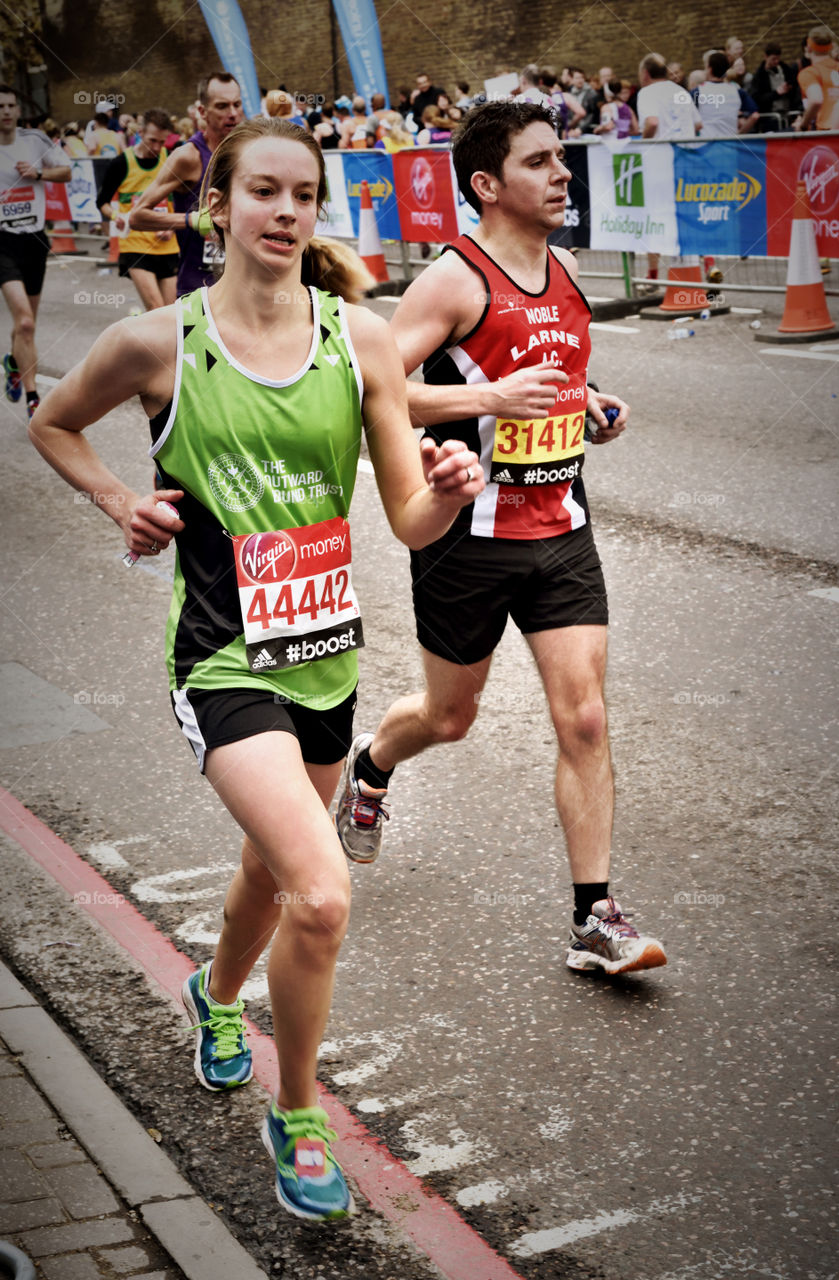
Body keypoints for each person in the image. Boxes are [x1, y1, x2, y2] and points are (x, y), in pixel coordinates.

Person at [29, 116, 483, 1219]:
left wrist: (453, 488)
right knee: (318, 891)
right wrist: (120, 500)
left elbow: (408, 519)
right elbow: (53, 421)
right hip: (220, 654)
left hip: (323, 653)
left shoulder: (361, 339)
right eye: (264, 193)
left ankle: (215, 990)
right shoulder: (161, 344)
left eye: (304, 196)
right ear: (217, 206)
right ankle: (297, 1115)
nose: (285, 214)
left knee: (265, 872)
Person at [335, 101, 667, 979]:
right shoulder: (453, 280)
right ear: (488, 184)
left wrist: (591, 404)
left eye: (564, 159)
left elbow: (548, 375)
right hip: (466, 538)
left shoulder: (563, 269)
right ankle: (370, 767)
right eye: (542, 162)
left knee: (586, 718)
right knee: (450, 717)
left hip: (561, 526)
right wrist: (488, 401)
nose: (564, 174)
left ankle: (592, 918)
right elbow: (375, 393)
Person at [128, 71, 243, 296]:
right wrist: (192, 220)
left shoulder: (247, 151)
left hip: (241, 285)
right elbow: (137, 216)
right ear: (202, 111)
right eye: (221, 106)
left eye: (237, 105)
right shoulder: (188, 157)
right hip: (198, 287)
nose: (232, 114)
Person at [0, 83, 71, 419]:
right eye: (1, 107)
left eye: (11, 106)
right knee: (25, 323)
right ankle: (33, 398)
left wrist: (38, 172)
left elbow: (67, 171)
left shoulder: (35, 141)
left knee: (27, 324)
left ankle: (14, 362)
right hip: (3, 242)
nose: (7, 112)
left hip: (35, 240)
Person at [96, 108, 180, 312]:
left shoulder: (171, 159)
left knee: (171, 314)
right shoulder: (121, 163)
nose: (157, 147)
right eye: (152, 140)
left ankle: (139, 332)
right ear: (140, 133)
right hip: (135, 245)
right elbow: (102, 202)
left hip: (167, 244)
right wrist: (118, 216)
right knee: (156, 308)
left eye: (162, 141)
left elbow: (183, 201)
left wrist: (172, 227)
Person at [637, 54, 701, 290]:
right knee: (687, 216)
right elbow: (698, 124)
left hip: (660, 164)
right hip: (686, 161)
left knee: (653, 217)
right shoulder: (680, 91)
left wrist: (643, 142)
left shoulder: (647, 93)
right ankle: (706, 267)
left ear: (645, 73)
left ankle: (653, 277)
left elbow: (652, 123)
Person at [693, 51, 759, 136]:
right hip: (730, 144)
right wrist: (740, 134)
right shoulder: (737, 91)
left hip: (707, 145)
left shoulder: (698, 91)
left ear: (710, 69)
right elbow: (755, 116)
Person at [795, 27, 839, 131]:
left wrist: (803, 125)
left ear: (808, 47)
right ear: (830, 47)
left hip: (827, 131)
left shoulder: (809, 73)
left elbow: (816, 100)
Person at [750, 42, 799, 127]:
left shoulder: (785, 69)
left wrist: (790, 88)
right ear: (766, 56)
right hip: (770, 117)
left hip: (787, 115)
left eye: (778, 59)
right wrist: (776, 93)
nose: (776, 61)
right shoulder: (759, 76)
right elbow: (757, 98)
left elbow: (795, 87)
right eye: (773, 59)